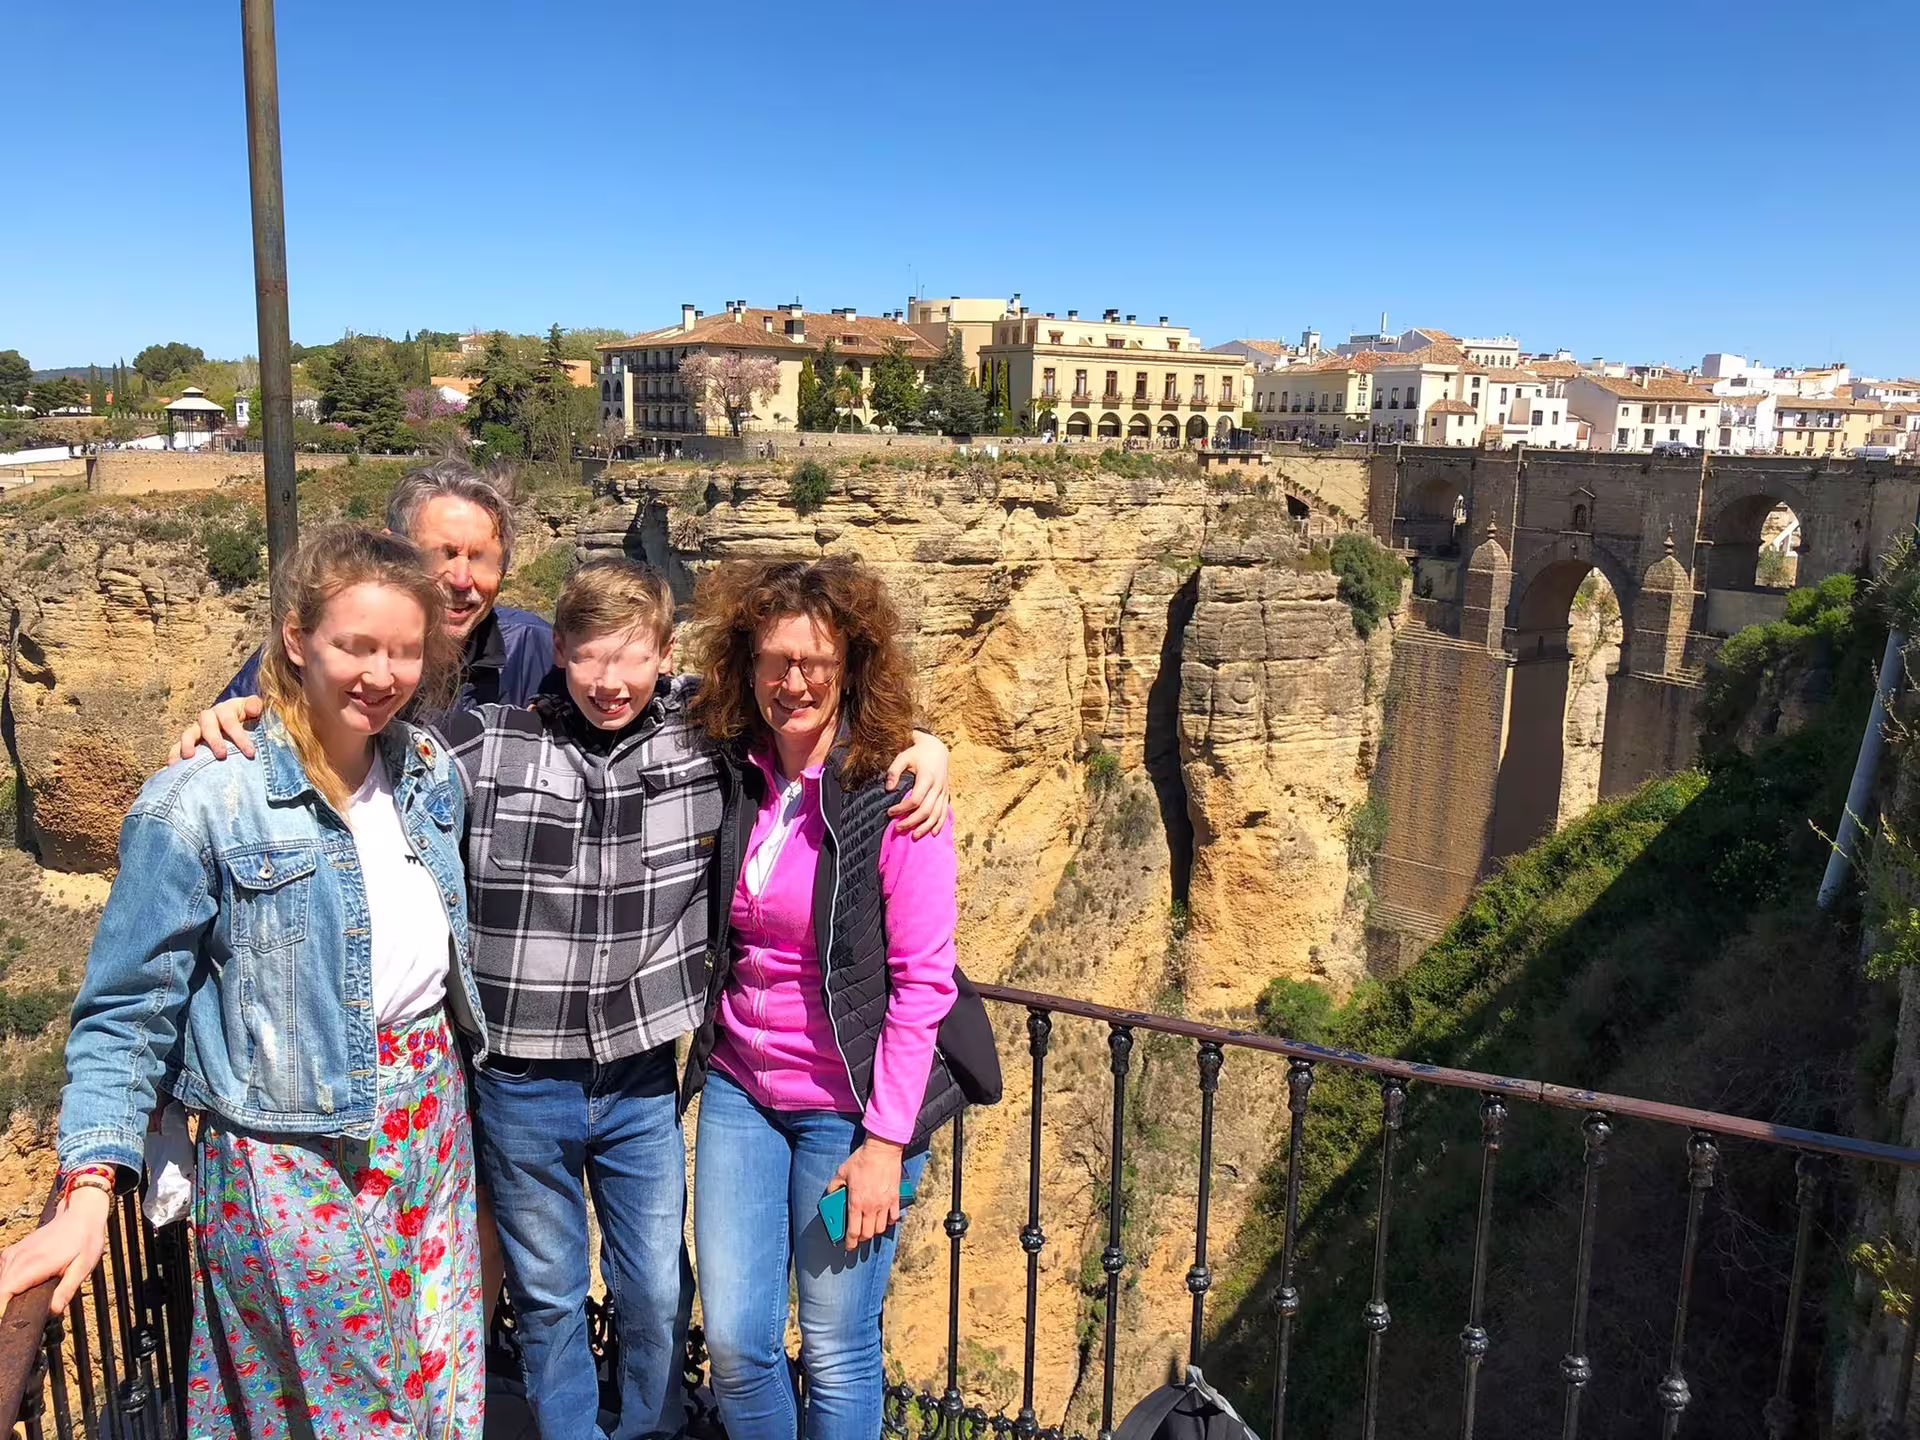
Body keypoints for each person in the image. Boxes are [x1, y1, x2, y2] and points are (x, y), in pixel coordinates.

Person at [175, 557, 954, 1440]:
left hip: (670, 1084)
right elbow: (360, 728)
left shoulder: (716, 745)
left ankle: (649, 1429)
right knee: (577, 1303)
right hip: (540, 1081)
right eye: (589, 657)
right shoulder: (491, 743)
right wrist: (251, 712)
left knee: (670, 1292)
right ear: (560, 655)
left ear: (665, 655)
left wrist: (924, 743)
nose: (612, 681)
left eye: (633, 658)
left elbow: (916, 959)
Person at [0, 525, 489, 1437]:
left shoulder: (428, 775)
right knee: (350, 1411)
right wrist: (90, 1188)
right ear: (296, 640)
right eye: (355, 646)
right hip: (286, 1154)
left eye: (405, 652)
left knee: (440, 1388)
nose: (381, 676)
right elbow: (125, 1012)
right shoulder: (200, 801)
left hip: (430, 1124)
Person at [680, 558, 968, 1440]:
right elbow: (607, 674)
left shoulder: (896, 790)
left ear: (853, 665)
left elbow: (925, 981)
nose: (792, 681)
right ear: (746, 665)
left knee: (839, 1346)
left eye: (815, 661)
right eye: (773, 659)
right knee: (735, 1343)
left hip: (851, 1111)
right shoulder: (733, 765)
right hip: (741, 1092)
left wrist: (886, 1144)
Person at [219, 458, 561, 711]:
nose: (461, 579)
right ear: (394, 551)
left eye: (480, 559)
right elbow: (211, 761)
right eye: (441, 554)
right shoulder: (319, 650)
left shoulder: (536, 652)